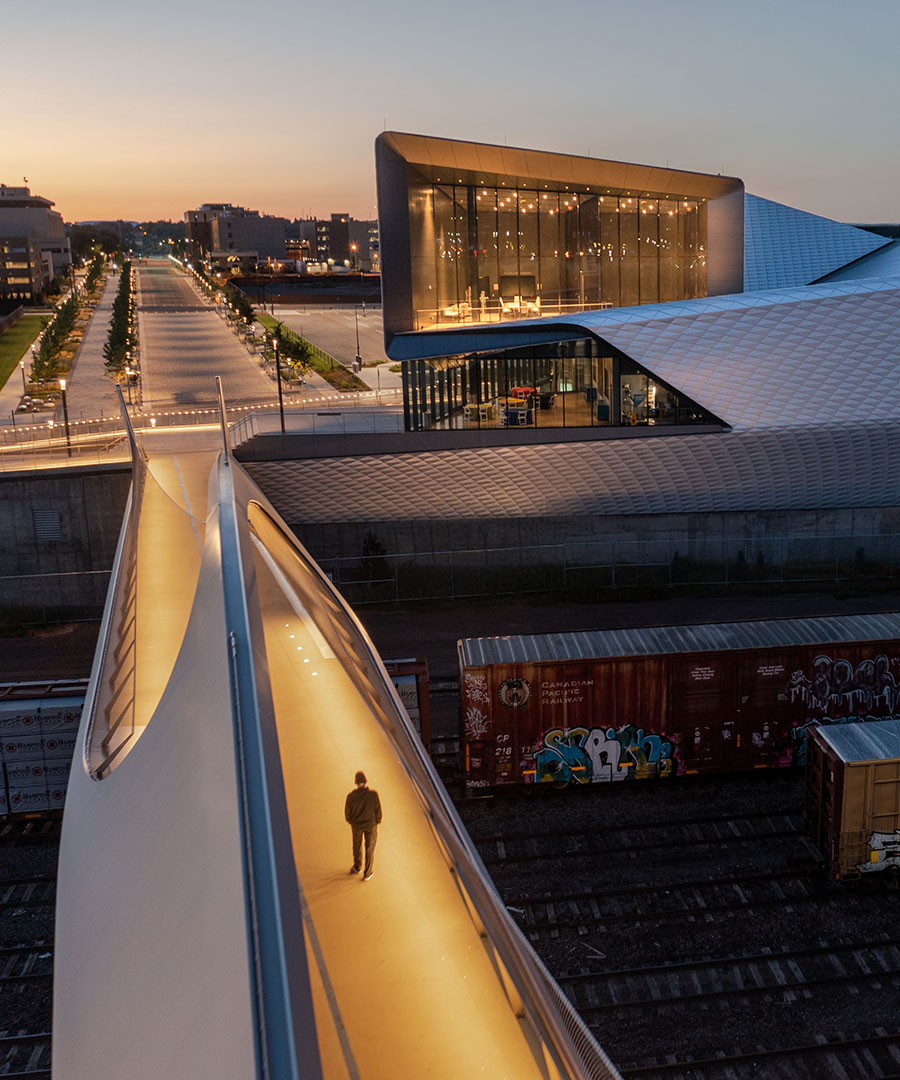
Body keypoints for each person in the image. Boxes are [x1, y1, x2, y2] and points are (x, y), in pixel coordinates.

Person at [345, 771, 382, 881]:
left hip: (357, 826)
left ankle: (357, 867)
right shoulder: (373, 795)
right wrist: (377, 821)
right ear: (365, 782)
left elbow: (347, 813)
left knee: (356, 846)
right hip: (371, 825)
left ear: (356, 783)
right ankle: (367, 873)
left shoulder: (351, 797)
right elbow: (378, 810)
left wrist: (352, 821)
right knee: (369, 848)